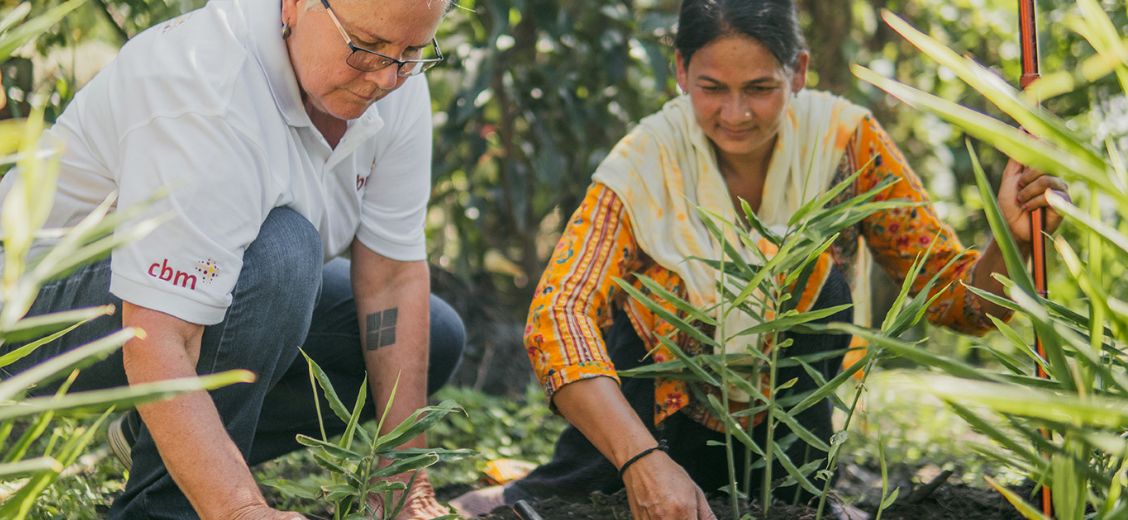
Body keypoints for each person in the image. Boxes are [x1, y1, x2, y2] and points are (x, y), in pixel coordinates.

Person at [452, 0, 1069, 518]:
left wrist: (1009, 239)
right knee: (543, 503)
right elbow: (558, 315)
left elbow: (955, 299)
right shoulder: (645, 160)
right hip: (643, 431)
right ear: (680, 72)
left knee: (812, 278)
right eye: (712, 89)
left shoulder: (844, 144)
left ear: (797, 72)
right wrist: (641, 461)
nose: (736, 114)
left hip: (787, 448)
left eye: (760, 89)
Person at [0, 0, 465, 518]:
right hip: (31, 309)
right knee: (282, 255)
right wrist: (241, 509)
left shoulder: (396, 81)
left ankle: (157, 440)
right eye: (366, 49)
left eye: (412, 52)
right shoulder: (206, 83)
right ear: (294, 6)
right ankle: (165, 508)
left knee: (434, 332)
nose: (386, 78)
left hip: (199, 289)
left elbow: (391, 279)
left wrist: (404, 476)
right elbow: (154, 335)